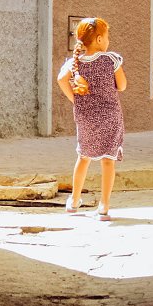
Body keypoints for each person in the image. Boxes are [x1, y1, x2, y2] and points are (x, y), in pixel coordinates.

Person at [56, 17, 127, 220]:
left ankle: (74, 201)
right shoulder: (111, 59)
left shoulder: (74, 63)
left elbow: (61, 79)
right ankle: (104, 206)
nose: (108, 40)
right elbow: (121, 86)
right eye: (106, 36)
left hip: (85, 116)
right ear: (98, 39)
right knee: (108, 160)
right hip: (111, 116)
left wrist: (75, 100)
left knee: (83, 157)